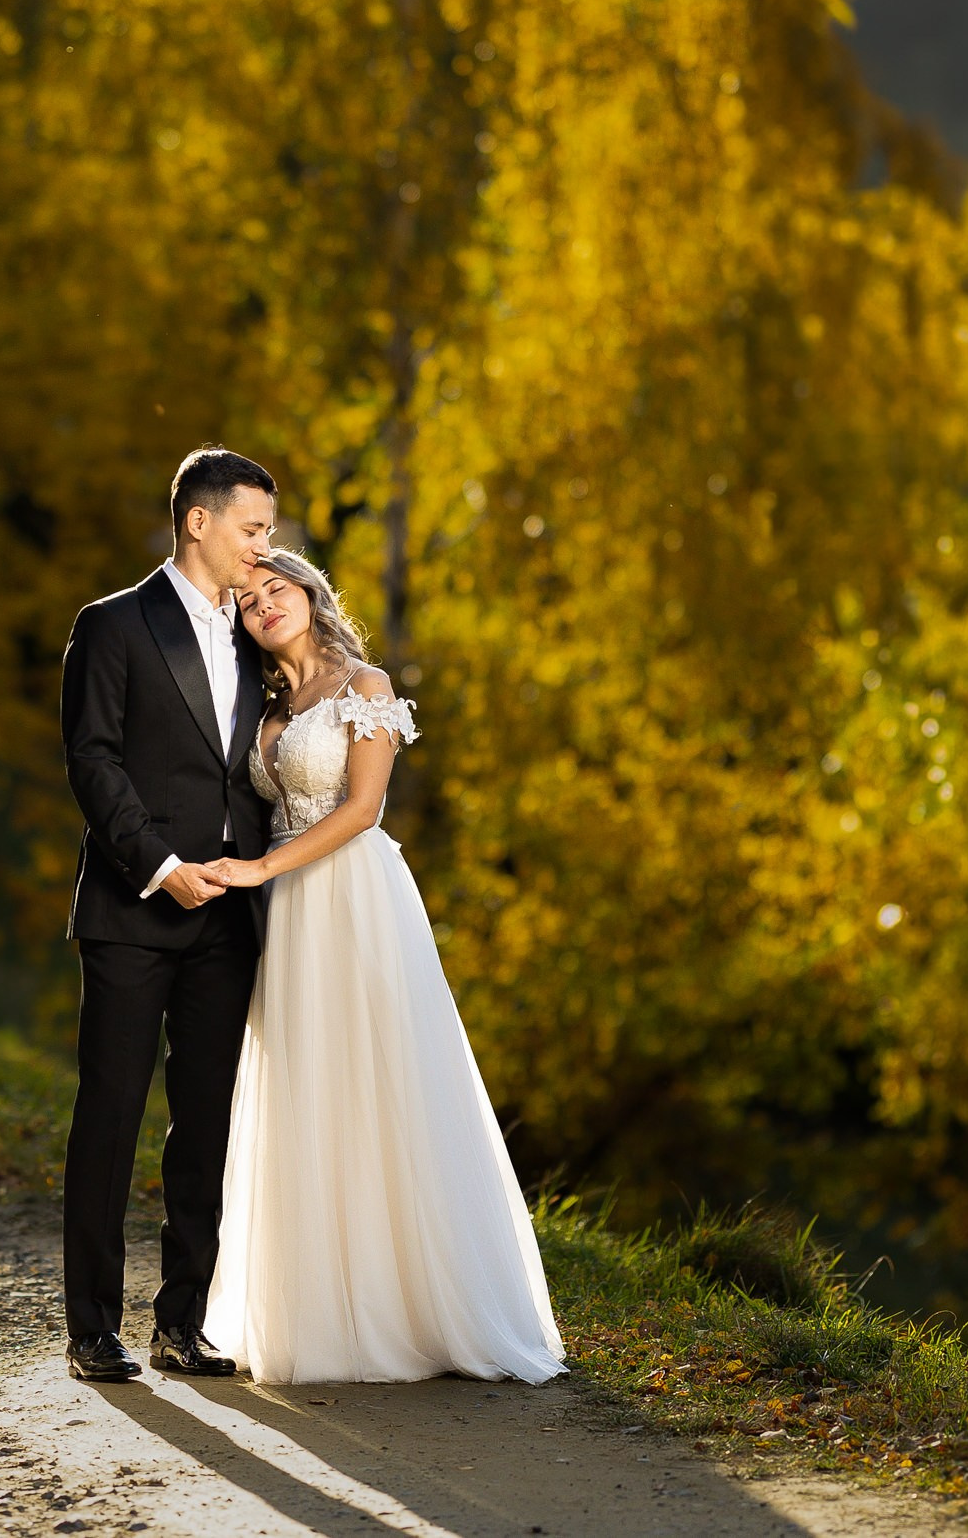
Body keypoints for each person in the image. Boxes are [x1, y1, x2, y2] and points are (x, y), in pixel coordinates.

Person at [195, 550, 564, 1383]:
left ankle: (410, 1305)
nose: (263, 605)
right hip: (288, 914)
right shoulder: (265, 706)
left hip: (353, 897)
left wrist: (260, 868)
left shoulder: (365, 686)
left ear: (310, 593)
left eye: (276, 588)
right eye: (247, 601)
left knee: (377, 1078)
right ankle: (318, 1309)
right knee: (306, 1086)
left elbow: (363, 808)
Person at [56, 446, 279, 1382]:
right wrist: (159, 863)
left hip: (229, 919)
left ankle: (181, 1322)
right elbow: (92, 759)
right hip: (132, 907)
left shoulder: (258, 632)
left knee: (206, 1124)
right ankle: (91, 1329)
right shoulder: (112, 624)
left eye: (268, 530)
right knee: (110, 1115)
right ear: (198, 520)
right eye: (252, 527)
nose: (263, 545)